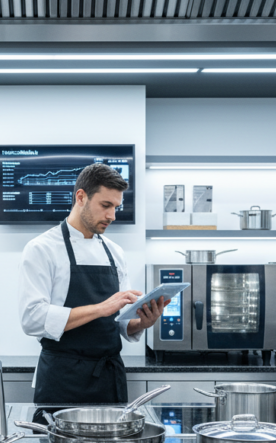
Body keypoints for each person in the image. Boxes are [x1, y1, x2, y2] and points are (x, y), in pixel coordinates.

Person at [18, 163, 169, 413]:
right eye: (105, 205)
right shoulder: (42, 248)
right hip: (63, 379)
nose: (112, 216)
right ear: (81, 197)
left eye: (116, 207)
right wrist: (101, 308)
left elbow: (121, 323)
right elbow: (32, 319)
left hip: (109, 378)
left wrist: (143, 322)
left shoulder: (114, 252)